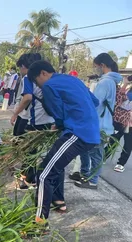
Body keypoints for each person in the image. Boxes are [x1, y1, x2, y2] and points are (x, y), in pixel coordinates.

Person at [27, 60, 100, 224]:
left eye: (36, 82)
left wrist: (60, 123)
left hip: (77, 133)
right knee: (53, 168)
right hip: (90, 131)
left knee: (44, 175)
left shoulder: (49, 86)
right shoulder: (73, 79)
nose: (39, 86)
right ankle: (57, 202)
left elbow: (58, 114)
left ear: (43, 73)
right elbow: (95, 102)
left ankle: (40, 224)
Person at [73, 53, 122, 189]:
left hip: (99, 124)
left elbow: (95, 103)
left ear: (102, 65)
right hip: (102, 122)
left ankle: (92, 180)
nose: (96, 70)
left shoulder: (105, 82)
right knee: (87, 150)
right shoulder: (111, 81)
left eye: (96, 67)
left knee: (95, 153)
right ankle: (86, 175)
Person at [10, 53, 55, 190]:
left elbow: (28, 97)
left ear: (24, 66)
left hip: (35, 118)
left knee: (28, 149)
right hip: (50, 118)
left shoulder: (28, 77)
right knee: (34, 150)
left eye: (20, 68)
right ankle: (31, 177)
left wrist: (15, 113)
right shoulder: (49, 77)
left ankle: (28, 180)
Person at [105, 77, 132, 172]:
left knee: (128, 145)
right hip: (120, 120)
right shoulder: (128, 90)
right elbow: (120, 98)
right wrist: (125, 83)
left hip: (130, 124)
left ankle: (121, 163)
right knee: (113, 140)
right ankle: (104, 157)